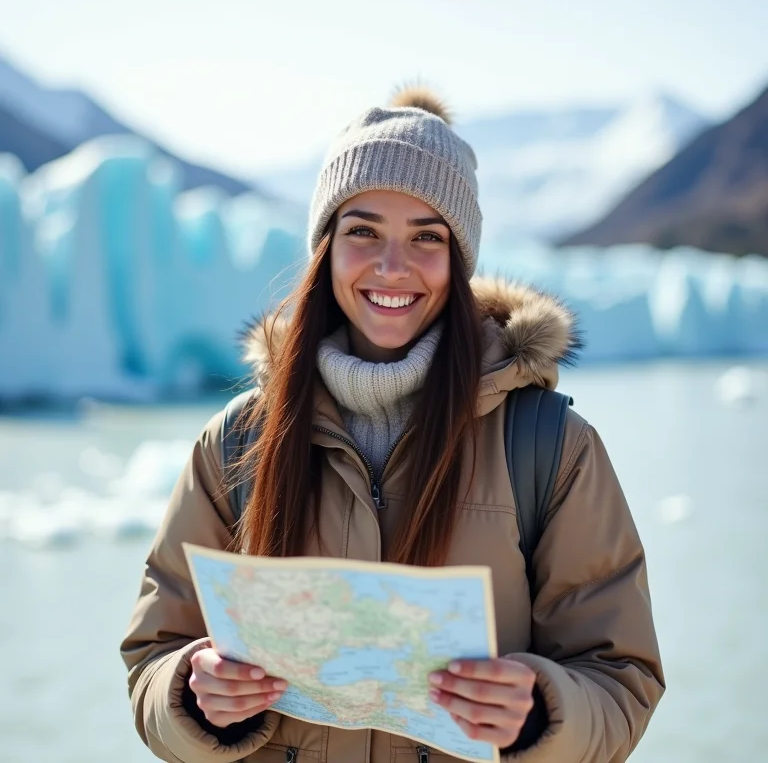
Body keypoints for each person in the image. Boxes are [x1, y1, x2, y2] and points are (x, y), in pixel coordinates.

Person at [121, 87, 664, 763]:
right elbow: (154, 656)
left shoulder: (548, 446)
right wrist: (194, 695)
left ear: (458, 260)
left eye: (426, 238)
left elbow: (623, 679)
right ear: (327, 248)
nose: (392, 267)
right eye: (364, 232)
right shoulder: (238, 443)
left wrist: (540, 710)